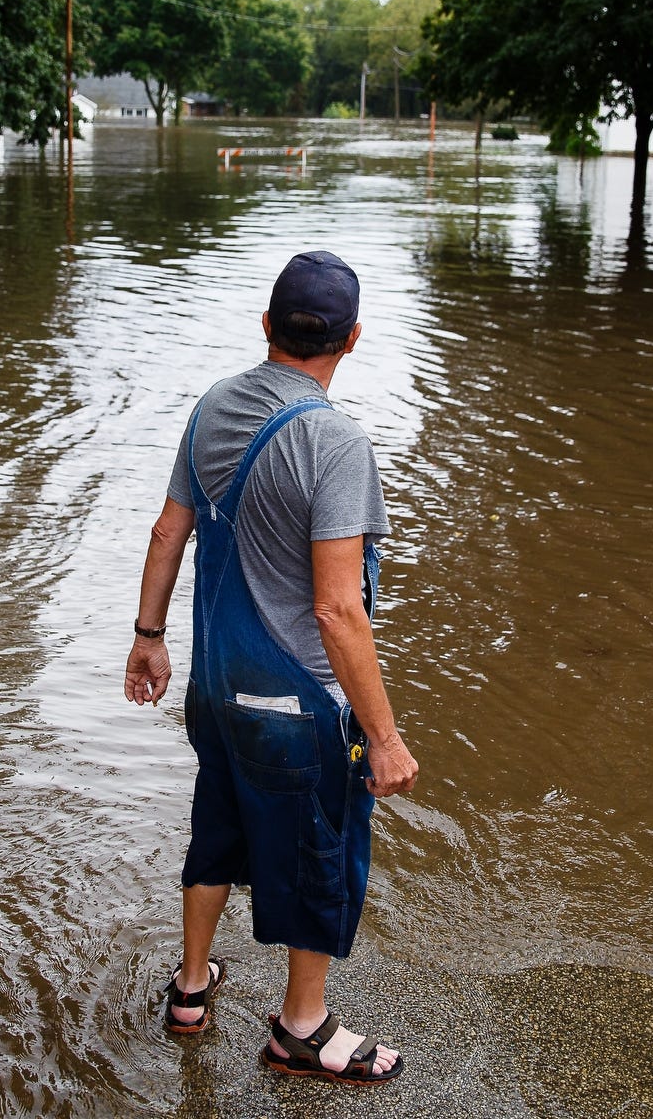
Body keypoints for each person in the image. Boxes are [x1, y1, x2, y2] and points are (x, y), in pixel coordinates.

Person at [124, 251, 419, 1085]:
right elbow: (337, 610)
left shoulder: (213, 404)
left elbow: (165, 532)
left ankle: (190, 988)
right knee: (320, 856)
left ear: (266, 325)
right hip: (290, 707)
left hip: (213, 689)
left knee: (216, 829)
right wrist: (383, 736)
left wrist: (148, 637)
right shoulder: (335, 443)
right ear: (351, 338)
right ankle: (301, 1028)